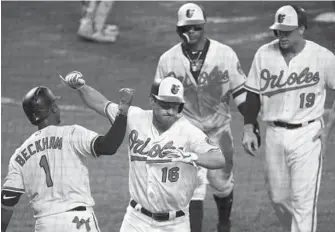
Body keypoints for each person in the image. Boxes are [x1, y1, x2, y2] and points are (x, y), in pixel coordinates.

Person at [60, 70, 227, 232]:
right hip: (136, 219)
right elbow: (101, 104)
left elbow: (218, 158)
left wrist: (191, 156)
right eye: (165, 104)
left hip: (175, 224)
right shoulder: (135, 118)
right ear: (152, 101)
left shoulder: (189, 132)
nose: (170, 110)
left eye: (175, 106)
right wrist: (81, 87)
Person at [154, 3, 259, 232]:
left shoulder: (224, 54)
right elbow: (159, 100)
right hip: (186, 134)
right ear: (178, 29)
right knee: (193, 187)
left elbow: (241, 93)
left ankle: (224, 222)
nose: (191, 32)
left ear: (204, 26)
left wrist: (250, 125)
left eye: (196, 27)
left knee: (222, 184)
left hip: (219, 132)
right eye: (185, 28)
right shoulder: (167, 60)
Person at [242, 5, 335, 232]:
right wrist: (247, 127)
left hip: (308, 135)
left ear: (301, 29)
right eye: (278, 31)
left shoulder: (322, 57)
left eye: (286, 31)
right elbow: (253, 93)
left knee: (304, 204)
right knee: (278, 198)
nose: (281, 36)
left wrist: (329, 127)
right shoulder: (264, 54)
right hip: (274, 134)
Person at [1, 85, 133, 231]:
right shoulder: (71, 134)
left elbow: (8, 200)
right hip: (78, 222)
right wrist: (122, 113)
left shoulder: (19, 155)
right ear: (53, 109)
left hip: (46, 224)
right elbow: (109, 146)